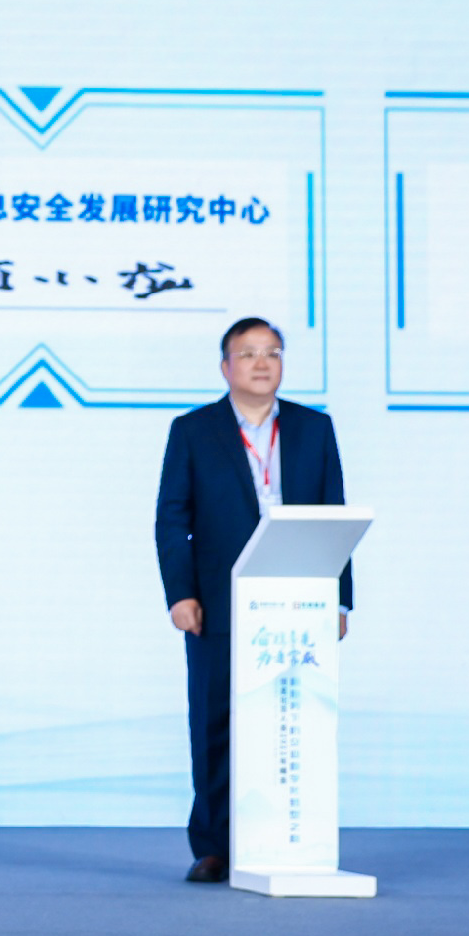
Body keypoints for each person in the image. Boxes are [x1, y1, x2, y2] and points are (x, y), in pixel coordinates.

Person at [152, 316, 348, 884]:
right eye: (249, 353)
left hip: (300, 596)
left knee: (294, 714)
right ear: (226, 366)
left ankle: (291, 838)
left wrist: (339, 600)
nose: (263, 363)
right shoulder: (193, 430)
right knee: (215, 720)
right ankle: (215, 845)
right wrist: (181, 593)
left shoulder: (314, 428)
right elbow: (172, 519)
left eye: (273, 353)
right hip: (218, 598)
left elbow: (335, 512)